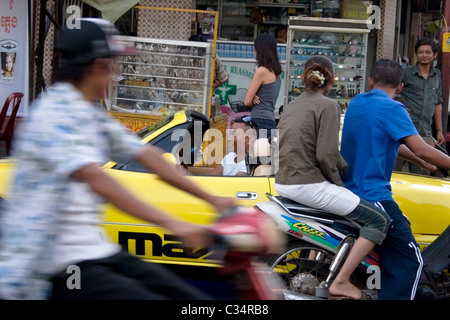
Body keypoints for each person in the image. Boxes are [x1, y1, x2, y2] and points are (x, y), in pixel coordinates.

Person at [0, 18, 236, 300]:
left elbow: (147, 154)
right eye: (114, 64)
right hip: (56, 267)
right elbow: (97, 179)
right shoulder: (55, 113)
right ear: (98, 66)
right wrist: (176, 225)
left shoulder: (88, 113)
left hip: (94, 251)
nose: (117, 74)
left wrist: (214, 199)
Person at [275, 56, 392, 300]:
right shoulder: (328, 105)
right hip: (308, 184)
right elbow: (327, 155)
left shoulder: (292, 105)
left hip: (285, 183)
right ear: (330, 80)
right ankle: (341, 281)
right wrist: (341, 183)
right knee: (379, 221)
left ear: (304, 77)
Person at [340, 59, 450, 300]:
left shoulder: (357, 103)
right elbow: (421, 147)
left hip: (348, 192)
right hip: (373, 195)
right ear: (400, 87)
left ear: (370, 81)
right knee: (411, 259)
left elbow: (389, 140)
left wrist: (422, 163)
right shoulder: (393, 108)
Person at [397, 38, 444, 174]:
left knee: (421, 172)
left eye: (428, 52)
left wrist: (439, 130)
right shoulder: (405, 73)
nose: (424, 55)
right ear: (416, 54)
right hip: (403, 130)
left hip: (424, 132)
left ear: (434, 55)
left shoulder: (437, 75)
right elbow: (395, 95)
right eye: (421, 52)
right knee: (396, 173)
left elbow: (438, 102)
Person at [244, 34, 282, 140]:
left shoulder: (262, 71)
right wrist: (253, 96)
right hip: (270, 120)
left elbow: (247, 101)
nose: (253, 52)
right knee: (267, 155)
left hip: (259, 120)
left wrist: (251, 97)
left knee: (254, 155)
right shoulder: (277, 72)